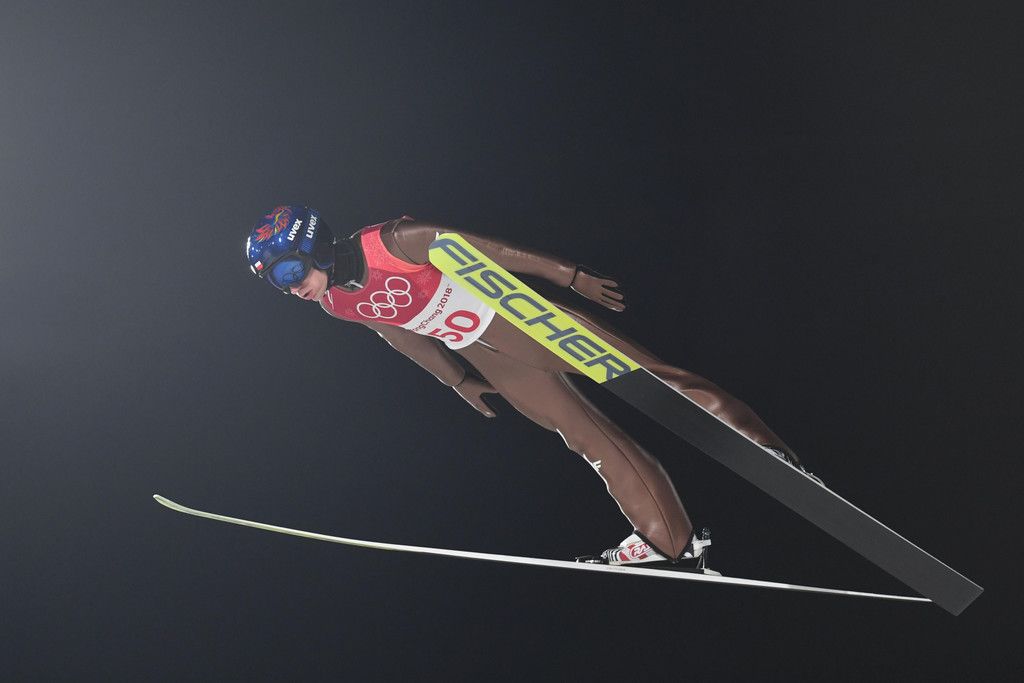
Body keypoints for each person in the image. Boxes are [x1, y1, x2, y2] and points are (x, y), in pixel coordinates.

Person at [245, 205, 815, 566]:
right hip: (490, 358)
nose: (292, 288)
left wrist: (569, 276)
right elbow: (398, 334)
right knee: (584, 436)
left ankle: (765, 450)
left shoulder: (395, 241)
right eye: (278, 284)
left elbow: (487, 251)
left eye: (291, 271)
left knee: (653, 381)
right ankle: (668, 539)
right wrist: (458, 380)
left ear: (315, 246)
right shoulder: (337, 303)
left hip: (524, 323)